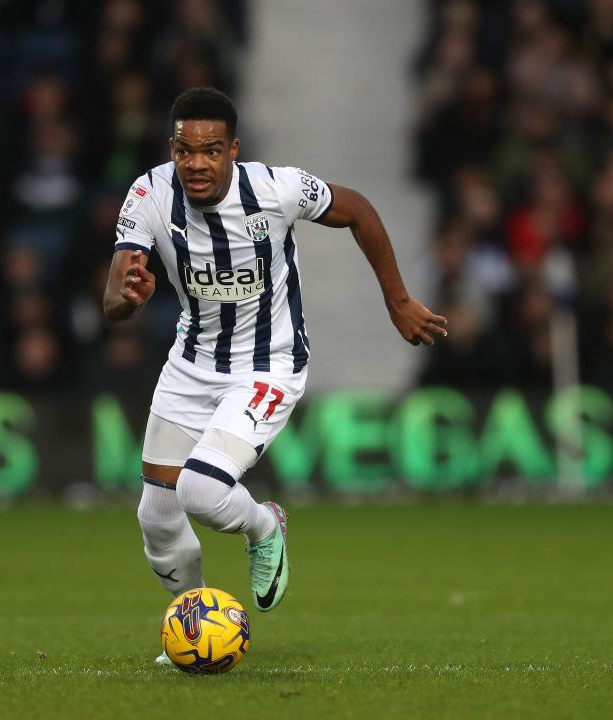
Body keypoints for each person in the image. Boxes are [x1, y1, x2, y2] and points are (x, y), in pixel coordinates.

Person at [102, 87, 447, 657]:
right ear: (172, 150)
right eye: (186, 150)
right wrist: (127, 298)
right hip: (190, 367)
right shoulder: (148, 193)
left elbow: (356, 208)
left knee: (201, 490)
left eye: (211, 150)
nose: (196, 163)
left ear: (233, 151)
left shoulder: (275, 188)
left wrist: (397, 299)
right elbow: (114, 292)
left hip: (269, 366)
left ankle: (264, 527)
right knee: (158, 516)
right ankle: (194, 629)